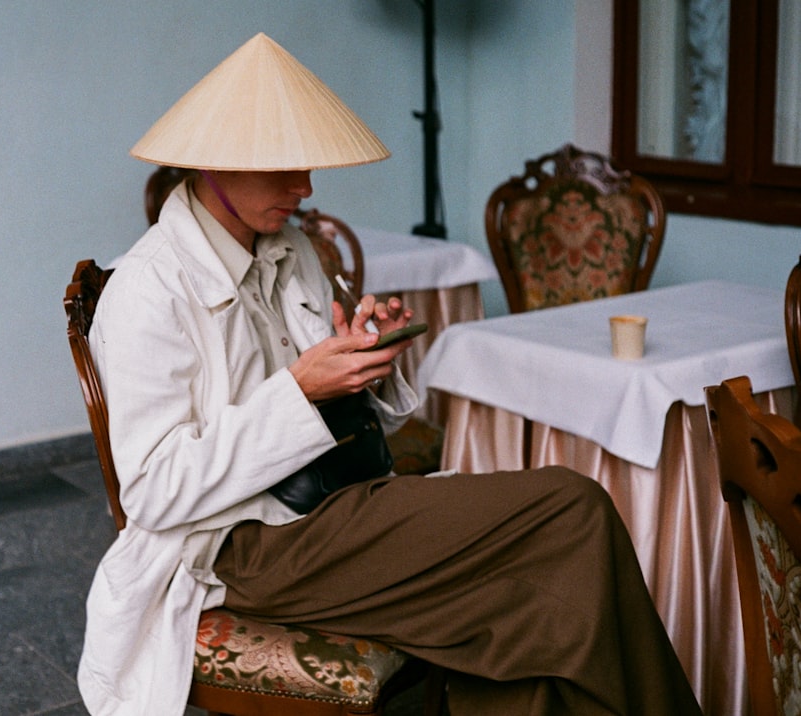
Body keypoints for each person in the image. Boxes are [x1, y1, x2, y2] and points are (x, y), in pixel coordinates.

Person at [77, 32, 703, 716]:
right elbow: (151, 494)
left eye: (309, 167)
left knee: (522, 609)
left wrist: (364, 357)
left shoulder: (291, 249)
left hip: (335, 502)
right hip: (246, 545)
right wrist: (301, 391)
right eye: (285, 168)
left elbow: (356, 413)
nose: (305, 187)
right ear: (215, 166)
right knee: (572, 510)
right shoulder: (148, 291)